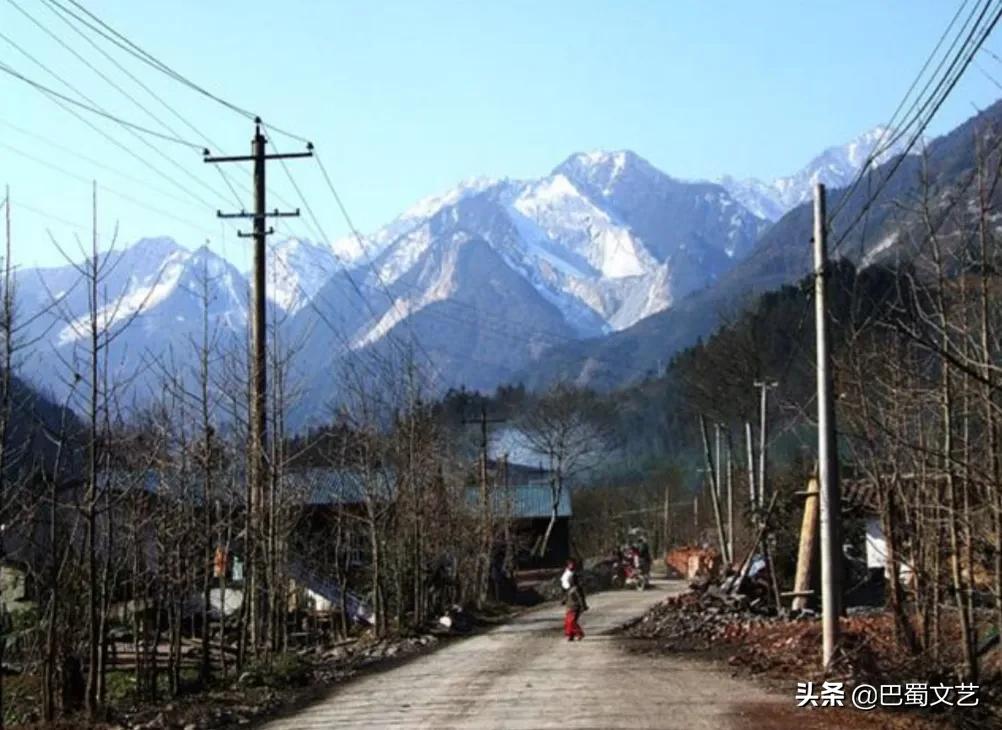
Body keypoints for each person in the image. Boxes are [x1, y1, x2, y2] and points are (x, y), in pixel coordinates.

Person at [562, 559, 588, 641]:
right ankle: (571, 635)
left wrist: (583, 606)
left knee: (572, 622)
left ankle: (579, 633)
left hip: (575, 608)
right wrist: (564, 601)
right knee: (567, 622)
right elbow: (567, 596)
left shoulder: (577, 589)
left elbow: (581, 598)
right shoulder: (570, 589)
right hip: (569, 607)